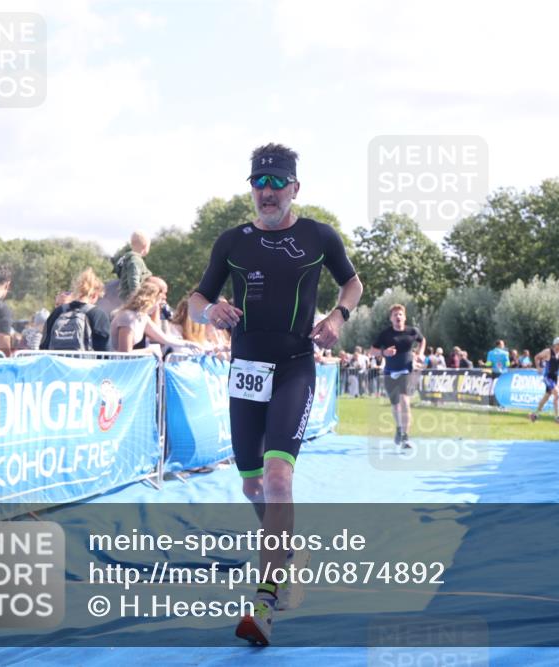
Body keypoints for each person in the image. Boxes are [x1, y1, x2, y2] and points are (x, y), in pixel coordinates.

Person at [188, 143, 362, 646]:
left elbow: (352, 284)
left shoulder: (318, 236)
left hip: (293, 366)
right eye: (258, 183)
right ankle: (287, 550)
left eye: (276, 183)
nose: (266, 191)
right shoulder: (231, 241)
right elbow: (198, 296)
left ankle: (264, 601)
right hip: (245, 369)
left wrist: (337, 316)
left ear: (294, 189)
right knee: (251, 485)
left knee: (279, 476)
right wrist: (208, 312)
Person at [370, 302, 425, 449]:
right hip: (389, 372)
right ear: (391, 319)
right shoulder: (385, 334)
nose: (398, 317)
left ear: (405, 317)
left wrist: (420, 353)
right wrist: (384, 353)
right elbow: (372, 351)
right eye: (395, 315)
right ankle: (399, 429)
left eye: (400, 314)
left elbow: (422, 340)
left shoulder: (412, 331)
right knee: (395, 405)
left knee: (405, 401)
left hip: (407, 370)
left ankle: (405, 437)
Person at [112, 282, 198, 355]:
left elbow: (165, 339)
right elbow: (124, 352)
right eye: (159, 301)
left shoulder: (143, 317)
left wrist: (190, 344)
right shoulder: (128, 317)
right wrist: (151, 350)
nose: (159, 306)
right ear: (152, 300)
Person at [41, 268, 111, 352]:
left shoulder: (58, 312)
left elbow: (44, 344)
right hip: (84, 364)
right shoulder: (98, 314)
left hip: (57, 363)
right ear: (94, 295)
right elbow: (104, 349)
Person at [530, 336, 559, 423]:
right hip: (547, 377)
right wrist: (538, 368)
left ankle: (535, 414)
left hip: (555, 378)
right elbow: (537, 357)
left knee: (546, 397)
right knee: (557, 394)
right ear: (555, 345)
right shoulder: (548, 351)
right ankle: (558, 417)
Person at [115, 230, 153, 301]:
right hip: (130, 300)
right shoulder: (135, 260)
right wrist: (137, 299)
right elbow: (134, 281)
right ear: (145, 246)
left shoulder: (129, 259)